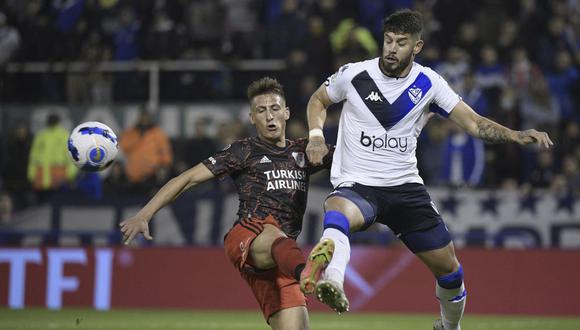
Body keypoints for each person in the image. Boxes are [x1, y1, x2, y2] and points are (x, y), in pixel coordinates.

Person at [298, 9, 553, 330]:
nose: (391, 48)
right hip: (359, 184)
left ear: (416, 47)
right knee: (336, 208)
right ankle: (334, 278)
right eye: (388, 41)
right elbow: (318, 100)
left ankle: (449, 326)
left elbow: (473, 122)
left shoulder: (429, 83)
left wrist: (515, 135)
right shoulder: (354, 75)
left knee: (451, 273)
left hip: (406, 189)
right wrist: (316, 136)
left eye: (401, 43)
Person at [120, 77, 333, 330]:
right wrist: (145, 213)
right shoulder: (242, 151)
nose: (269, 116)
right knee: (274, 234)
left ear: (286, 112)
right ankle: (308, 274)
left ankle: (303, 272)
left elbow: (357, 157)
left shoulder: (305, 151)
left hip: (281, 260)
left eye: (275, 109)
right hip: (248, 235)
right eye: (261, 111)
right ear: (252, 118)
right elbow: (186, 179)